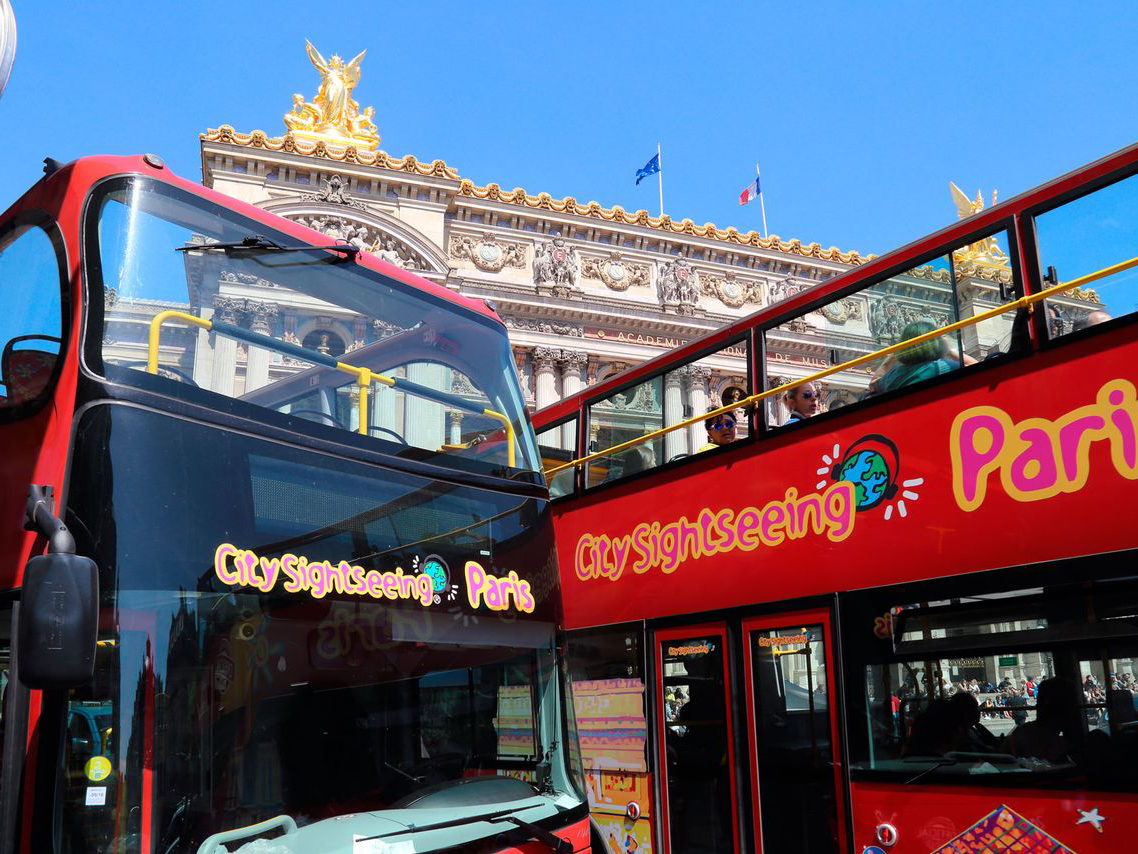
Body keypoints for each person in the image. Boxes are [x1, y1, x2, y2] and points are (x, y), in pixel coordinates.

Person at [876, 321, 959, 393]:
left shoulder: (894, 373)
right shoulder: (942, 366)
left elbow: (874, 384)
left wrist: (896, 352)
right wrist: (949, 350)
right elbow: (971, 367)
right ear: (936, 343)